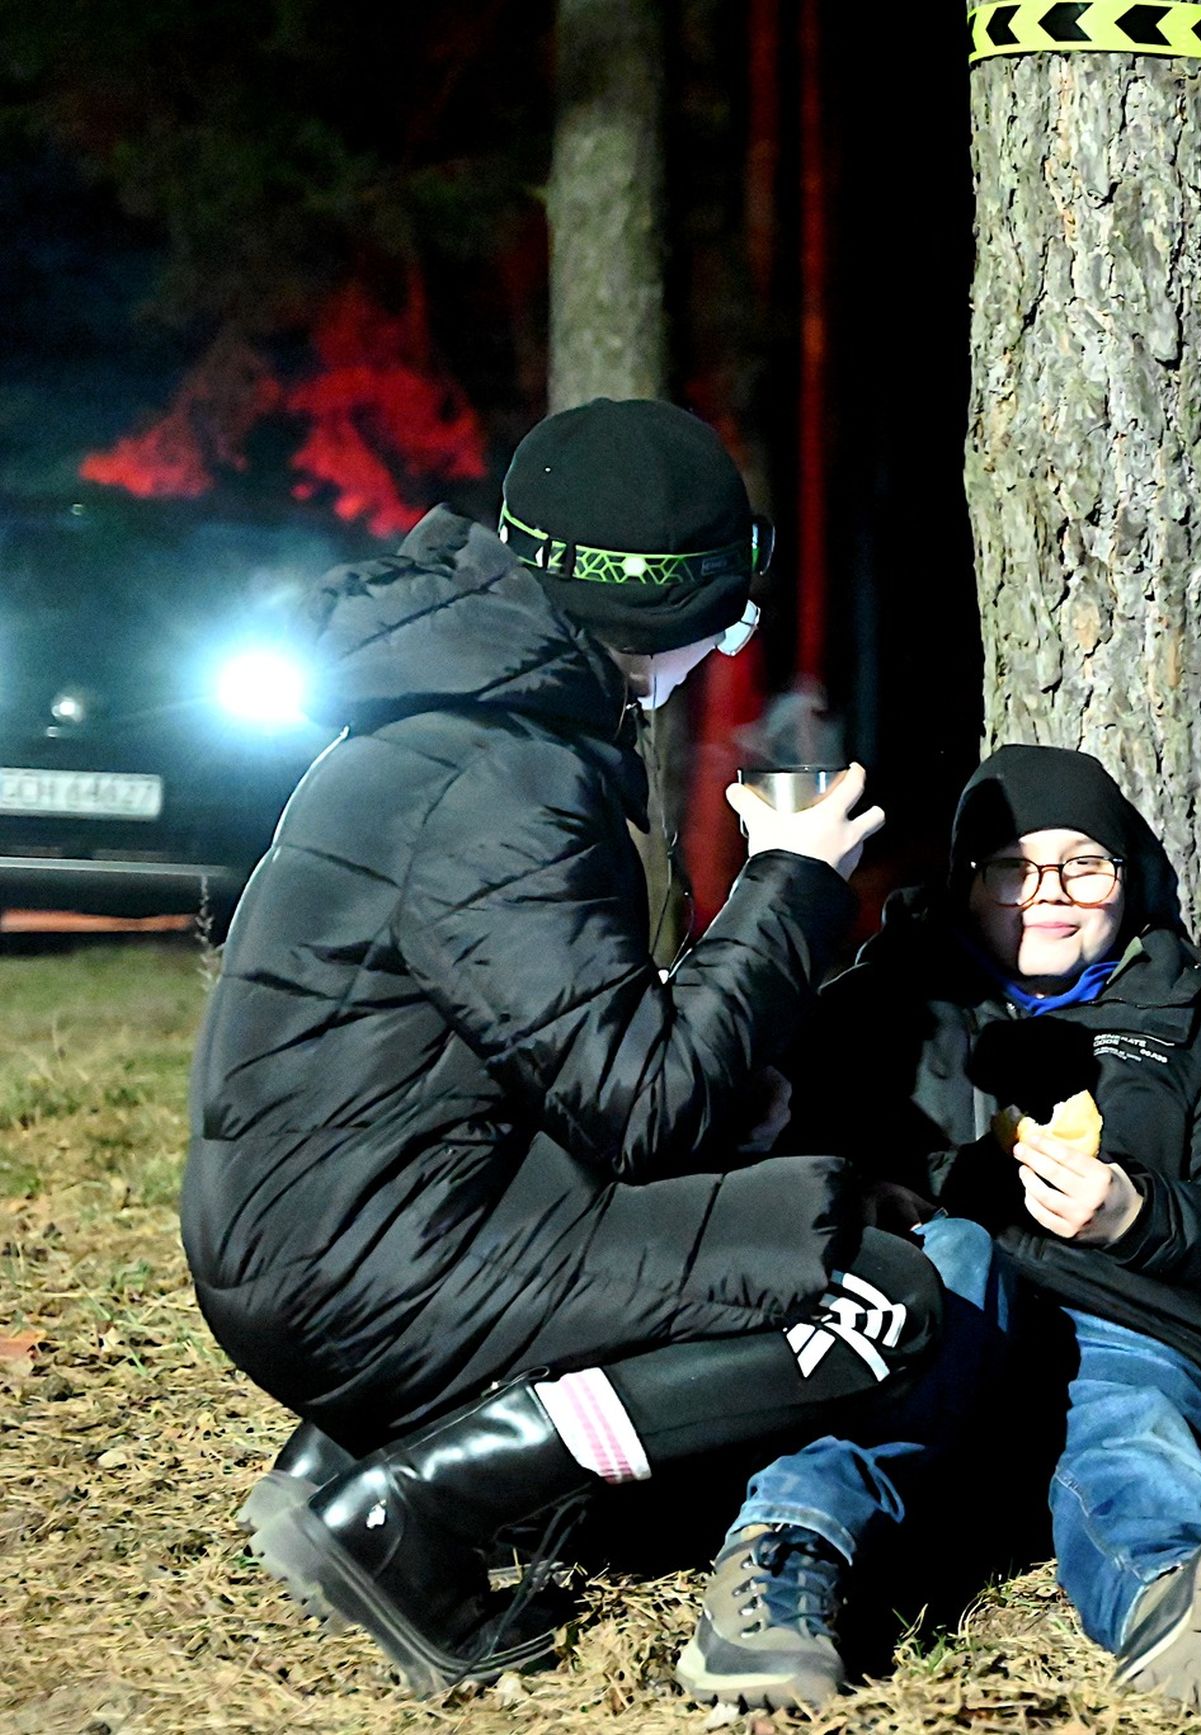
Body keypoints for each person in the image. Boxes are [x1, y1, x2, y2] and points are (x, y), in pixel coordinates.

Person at [182, 398, 946, 1695]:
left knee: (762, 1199)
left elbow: (565, 1051)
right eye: (727, 620)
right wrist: (792, 880)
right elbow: (646, 1103)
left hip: (329, 1232)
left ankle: (335, 1466)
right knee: (876, 1298)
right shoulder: (509, 774)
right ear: (664, 607)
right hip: (360, 1263)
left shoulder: (458, 719)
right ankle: (405, 1511)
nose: (726, 652)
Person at [675, 745, 1201, 1714]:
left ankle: (1171, 1607)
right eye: (1013, 868)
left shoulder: (1198, 1025)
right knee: (950, 1261)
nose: (1050, 894)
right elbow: (772, 1168)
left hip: (1123, 1326)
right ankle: (779, 1568)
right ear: (965, 879)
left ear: (1128, 878)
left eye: (1084, 865)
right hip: (934, 1326)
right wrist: (885, 1194)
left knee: (1134, 1428)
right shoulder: (880, 1007)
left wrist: (1139, 1217)